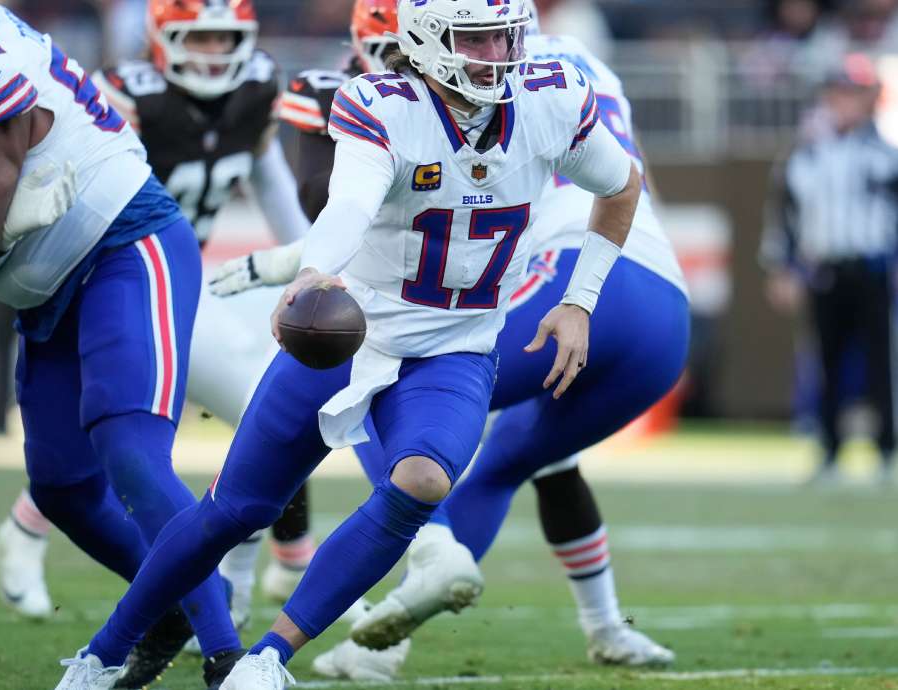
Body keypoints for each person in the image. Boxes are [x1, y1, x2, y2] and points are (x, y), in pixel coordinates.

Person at [55, 0, 645, 687]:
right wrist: (315, 272)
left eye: (504, 37)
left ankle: (269, 657)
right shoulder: (383, 104)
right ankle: (105, 651)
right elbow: (350, 205)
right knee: (235, 509)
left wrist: (581, 300)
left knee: (422, 482)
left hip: (453, 350)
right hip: (351, 337)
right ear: (426, 40)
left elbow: (621, 184)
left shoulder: (550, 101)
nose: (498, 56)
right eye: (477, 40)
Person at [216, 0, 683, 678]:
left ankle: (418, 550)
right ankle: (603, 624)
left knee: (384, 371)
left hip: (567, 273)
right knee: (513, 461)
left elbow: (404, 217)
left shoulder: (489, 81)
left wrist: (284, 264)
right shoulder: (574, 69)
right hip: (663, 308)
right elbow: (624, 182)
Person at [0, 0, 246, 686]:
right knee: (62, 488)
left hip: (122, 245)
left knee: (135, 459)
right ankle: (180, 595)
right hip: (45, 285)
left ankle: (227, 656)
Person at [0, 0, 320, 647]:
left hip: (177, 279)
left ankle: (249, 580)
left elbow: (269, 178)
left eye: (227, 39)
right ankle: (253, 580)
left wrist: (312, 263)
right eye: (200, 38)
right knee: (140, 440)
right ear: (162, 38)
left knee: (212, 423)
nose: (215, 54)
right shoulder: (126, 94)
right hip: (119, 274)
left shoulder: (254, 90)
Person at [761, 53, 898, 484]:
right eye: (839, 93)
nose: (845, 102)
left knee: (882, 362)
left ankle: (887, 451)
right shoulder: (806, 155)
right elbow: (783, 215)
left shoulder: (885, 152)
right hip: (825, 270)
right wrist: (781, 268)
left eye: (853, 94)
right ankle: (829, 450)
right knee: (826, 362)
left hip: (875, 268)